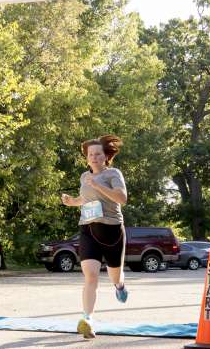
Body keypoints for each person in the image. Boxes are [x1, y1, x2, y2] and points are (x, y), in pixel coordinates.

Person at [61, 134, 128, 339]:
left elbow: (122, 199)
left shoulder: (113, 173)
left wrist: (99, 185)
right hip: (88, 230)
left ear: (105, 156)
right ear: (87, 158)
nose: (94, 157)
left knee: (114, 276)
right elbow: (86, 198)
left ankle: (119, 285)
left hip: (112, 232)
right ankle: (88, 320)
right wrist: (72, 201)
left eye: (98, 154)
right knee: (90, 276)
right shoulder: (84, 176)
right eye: (91, 154)